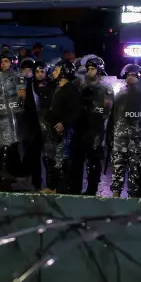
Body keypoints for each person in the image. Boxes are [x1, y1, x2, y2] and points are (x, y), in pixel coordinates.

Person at [108, 64, 141, 198]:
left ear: (139, 77)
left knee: (136, 170)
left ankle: (132, 197)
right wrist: (110, 135)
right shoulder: (120, 95)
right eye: (128, 75)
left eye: (133, 75)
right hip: (120, 138)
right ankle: (116, 194)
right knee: (118, 167)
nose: (130, 78)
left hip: (137, 139)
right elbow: (113, 116)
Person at [0, 50, 25, 190]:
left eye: (6, 61)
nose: (3, 64)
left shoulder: (18, 76)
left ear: (12, 62)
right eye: (2, 61)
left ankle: (8, 179)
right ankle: (1, 177)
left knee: (9, 148)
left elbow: (21, 96)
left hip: (12, 118)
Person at [75, 55, 113, 195]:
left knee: (93, 161)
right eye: (89, 68)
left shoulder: (106, 88)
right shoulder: (81, 84)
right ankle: (76, 187)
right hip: (81, 126)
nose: (90, 71)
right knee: (78, 160)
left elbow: (107, 110)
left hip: (96, 128)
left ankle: (92, 188)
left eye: (93, 69)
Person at [44, 60, 82, 193]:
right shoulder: (57, 88)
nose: (53, 72)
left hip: (64, 133)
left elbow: (75, 112)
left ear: (64, 72)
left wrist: (64, 123)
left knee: (61, 162)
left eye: (57, 70)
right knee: (52, 160)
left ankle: (61, 191)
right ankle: (53, 187)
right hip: (53, 131)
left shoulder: (71, 90)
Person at [18, 57, 43, 189]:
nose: (27, 72)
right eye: (25, 70)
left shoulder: (37, 84)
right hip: (25, 121)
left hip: (37, 121)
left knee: (35, 150)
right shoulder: (21, 83)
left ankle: (36, 180)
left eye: (29, 70)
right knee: (28, 148)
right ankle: (27, 174)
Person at [32, 62, 57, 191]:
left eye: (42, 72)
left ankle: (51, 185)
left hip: (48, 124)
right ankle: (36, 183)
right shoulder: (30, 85)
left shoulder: (53, 86)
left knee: (49, 157)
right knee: (34, 156)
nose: (40, 75)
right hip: (34, 125)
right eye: (37, 72)